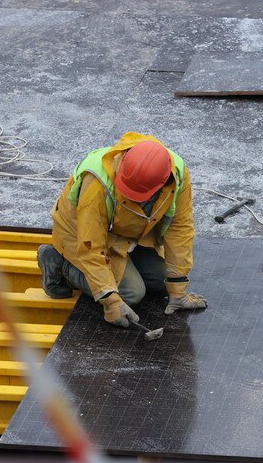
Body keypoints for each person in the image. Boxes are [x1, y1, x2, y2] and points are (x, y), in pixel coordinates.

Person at [37, 131, 207, 327]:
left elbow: (180, 228)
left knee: (160, 281)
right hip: (79, 232)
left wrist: (178, 289)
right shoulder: (97, 183)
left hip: (127, 232)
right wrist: (110, 301)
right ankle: (60, 263)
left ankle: (124, 264)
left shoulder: (176, 173)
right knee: (131, 293)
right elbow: (91, 246)